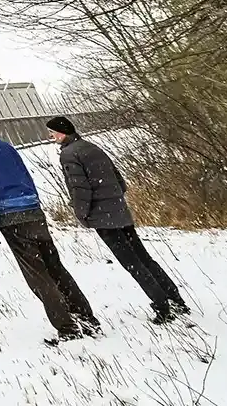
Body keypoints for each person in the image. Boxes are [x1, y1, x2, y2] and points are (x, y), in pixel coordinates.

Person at [0, 108, 99, 344]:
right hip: (33, 211)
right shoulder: (5, 147)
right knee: (55, 267)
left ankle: (67, 328)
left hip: (11, 218)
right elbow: (25, 177)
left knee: (37, 275)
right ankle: (86, 317)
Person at [46, 115, 189, 324]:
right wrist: (113, 201)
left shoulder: (68, 155)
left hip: (104, 219)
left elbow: (79, 189)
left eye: (52, 133)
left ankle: (162, 307)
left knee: (132, 264)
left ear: (62, 132)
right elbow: (120, 183)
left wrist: (82, 214)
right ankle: (176, 300)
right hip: (120, 212)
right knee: (144, 258)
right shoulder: (92, 147)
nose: (50, 137)